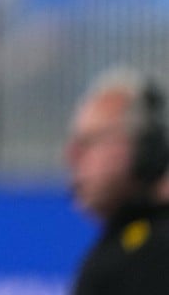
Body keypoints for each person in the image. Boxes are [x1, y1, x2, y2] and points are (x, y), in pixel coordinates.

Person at [64, 67, 169, 294]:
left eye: (90, 141)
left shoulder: (150, 257)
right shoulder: (117, 249)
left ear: (145, 148)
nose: (72, 156)